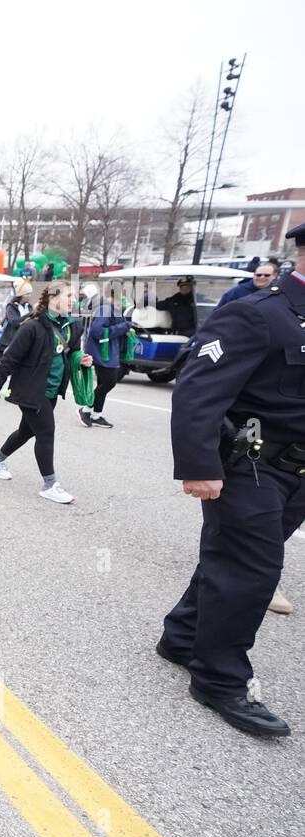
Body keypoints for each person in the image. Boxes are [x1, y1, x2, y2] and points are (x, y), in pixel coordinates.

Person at [156, 224, 305, 737]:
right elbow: (197, 389)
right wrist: (199, 466)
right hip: (251, 465)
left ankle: (182, 635)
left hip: (296, 473)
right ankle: (220, 680)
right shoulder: (259, 311)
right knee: (252, 572)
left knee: (233, 560)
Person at [0, 280, 93, 504]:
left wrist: (81, 359)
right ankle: (50, 484)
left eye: (74, 296)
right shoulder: (31, 327)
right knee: (46, 432)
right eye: (68, 296)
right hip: (31, 389)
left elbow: (71, 352)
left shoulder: (71, 326)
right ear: (53, 298)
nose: (73, 300)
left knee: (26, 431)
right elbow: (9, 359)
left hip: (52, 389)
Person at [79, 284, 132, 428]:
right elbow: (97, 332)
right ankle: (86, 409)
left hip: (107, 351)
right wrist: (124, 327)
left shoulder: (111, 308)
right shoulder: (106, 308)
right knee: (109, 382)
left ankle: (96, 415)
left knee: (103, 383)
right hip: (102, 353)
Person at [0, 279, 33, 355]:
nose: (29, 296)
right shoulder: (11, 306)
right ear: (20, 295)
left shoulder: (29, 306)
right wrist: (29, 315)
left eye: (30, 293)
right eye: (27, 294)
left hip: (25, 340)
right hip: (11, 341)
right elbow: (14, 322)